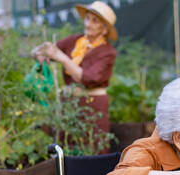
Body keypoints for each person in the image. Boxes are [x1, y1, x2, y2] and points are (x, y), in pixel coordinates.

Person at [34, 1, 117, 150]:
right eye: (87, 18)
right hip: (69, 103)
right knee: (68, 144)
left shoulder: (108, 52)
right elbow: (45, 50)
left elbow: (87, 78)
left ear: (104, 30)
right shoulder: (74, 41)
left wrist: (62, 58)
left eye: (95, 21)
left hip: (93, 105)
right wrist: (39, 53)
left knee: (94, 146)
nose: (88, 24)